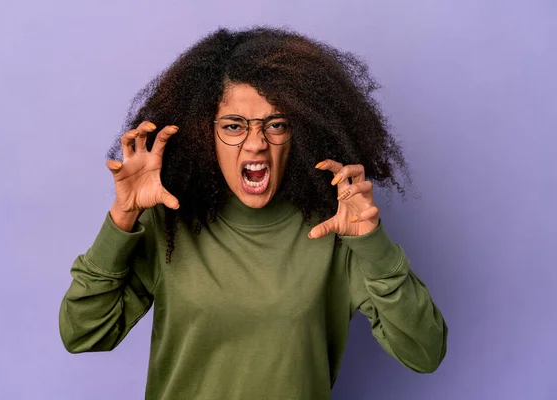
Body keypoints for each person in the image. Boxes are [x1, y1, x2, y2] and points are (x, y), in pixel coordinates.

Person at [59, 27, 448, 399]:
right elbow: (82, 333)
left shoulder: (336, 229)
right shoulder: (171, 221)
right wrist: (122, 217)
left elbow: (425, 352)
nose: (256, 144)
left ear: (302, 132)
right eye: (234, 125)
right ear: (203, 132)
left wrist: (371, 240)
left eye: (276, 124)